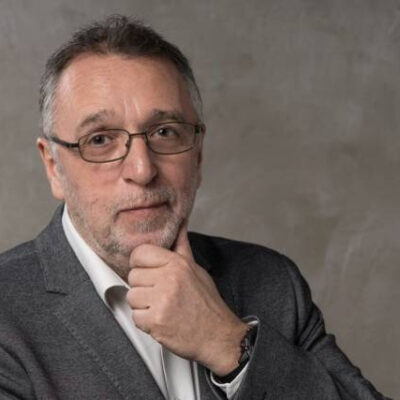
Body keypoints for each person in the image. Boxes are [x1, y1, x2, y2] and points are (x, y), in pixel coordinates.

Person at [0, 15, 391, 400]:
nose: (142, 170)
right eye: (100, 139)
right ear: (53, 167)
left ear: (198, 156)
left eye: (164, 132)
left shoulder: (272, 282)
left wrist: (227, 344)